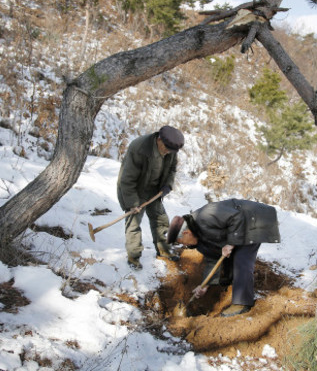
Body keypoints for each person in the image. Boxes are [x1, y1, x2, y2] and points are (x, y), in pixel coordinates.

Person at [167, 199, 280, 317]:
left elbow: (237, 217)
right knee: (229, 257)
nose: (183, 245)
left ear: (186, 233)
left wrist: (231, 243)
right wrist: (205, 285)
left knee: (241, 259)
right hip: (239, 227)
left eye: (180, 241)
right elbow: (213, 259)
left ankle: (242, 303)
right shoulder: (198, 242)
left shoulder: (207, 215)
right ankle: (233, 285)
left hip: (253, 218)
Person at [117, 126, 184, 269]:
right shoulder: (139, 148)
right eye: (166, 149)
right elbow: (127, 180)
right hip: (134, 189)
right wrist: (132, 203)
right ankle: (133, 258)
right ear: (159, 139)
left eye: (171, 151)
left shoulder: (171, 148)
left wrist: (167, 185)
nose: (167, 153)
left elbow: (172, 169)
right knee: (133, 224)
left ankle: (164, 250)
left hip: (155, 190)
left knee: (161, 219)